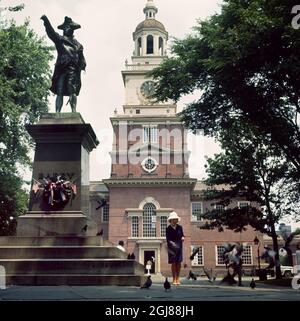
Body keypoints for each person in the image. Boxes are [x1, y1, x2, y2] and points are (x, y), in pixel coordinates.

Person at [41, 15, 86, 113]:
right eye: (64, 27)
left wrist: (82, 65)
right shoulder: (60, 40)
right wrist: (46, 21)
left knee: (72, 89)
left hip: (72, 70)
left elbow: (82, 60)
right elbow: (51, 33)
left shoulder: (78, 45)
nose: (66, 29)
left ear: (72, 29)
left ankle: (73, 111)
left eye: (68, 27)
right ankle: (57, 112)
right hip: (61, 69)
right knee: (59, 90)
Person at [166, 211, 185, 285]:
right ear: (170, 220)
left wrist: (183, 237)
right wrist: (173, 244)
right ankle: (174, 278)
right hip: (172, 249)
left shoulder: (180, 227)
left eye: (176, 219)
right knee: (173, 263)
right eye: (174, 219)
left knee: (178, 262)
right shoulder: (168, 229)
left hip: (179, 247)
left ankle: (178, 278)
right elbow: (168, 239)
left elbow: (183, 235)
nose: (175, 220)